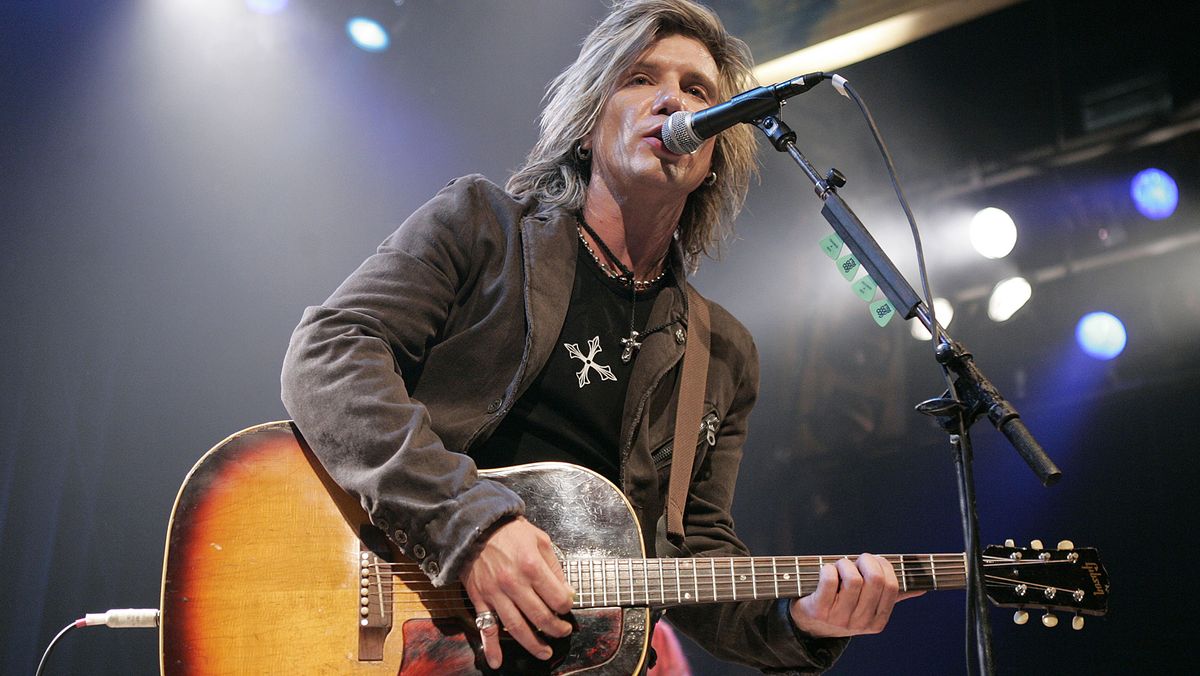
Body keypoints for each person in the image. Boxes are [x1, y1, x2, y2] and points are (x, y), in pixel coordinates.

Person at [281, 1, 917, 672]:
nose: (672, 98)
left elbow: (694, 558)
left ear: (712, 159)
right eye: (640, 77)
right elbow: (330, 351)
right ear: (586, 126)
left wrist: (801, 620)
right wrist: (469, 527)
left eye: (697, 89)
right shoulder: (482, 227)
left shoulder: (724, 353)